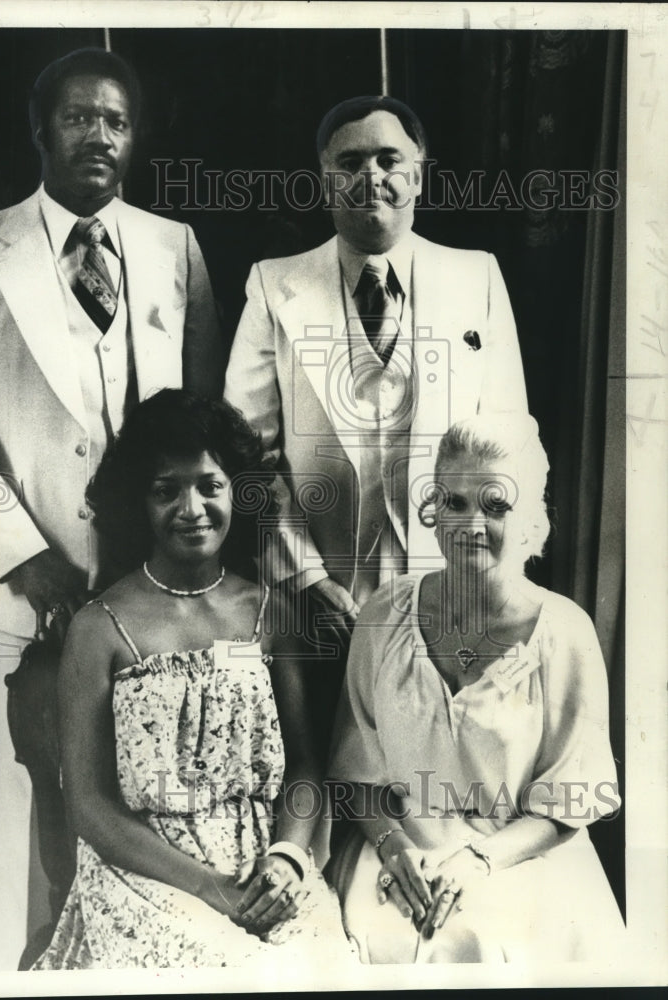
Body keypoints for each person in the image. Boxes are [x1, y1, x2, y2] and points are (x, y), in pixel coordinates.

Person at [0, 48, 222, 969]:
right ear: (41, 129)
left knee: (159, 775)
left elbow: (202, 414)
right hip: (37, 574)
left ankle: (145, 955)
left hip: (158, 577)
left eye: (117, 121)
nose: (100, 135)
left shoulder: (173, 247)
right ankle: (20, 966)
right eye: (81, 117)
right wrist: (19, 549)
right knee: (37, 776)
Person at [223, 95, 528, 756]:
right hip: (318, 599)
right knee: (327, 781)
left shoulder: (474, 276)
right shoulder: (273, 286)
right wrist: (304, 580)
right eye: (349, 161)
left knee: (437, 779)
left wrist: (489, 580)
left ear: (419, 173)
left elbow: (509, 446)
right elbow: (246, 456)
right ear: (324, 177)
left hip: (450, 592)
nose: (370, 176)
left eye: (389, 159)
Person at [32, 389, 354, 970]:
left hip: (263, 869)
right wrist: (210, 888)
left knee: (317, 969)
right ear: (138, 503)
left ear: (238, 493)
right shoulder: (99, 629)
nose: (192, 508)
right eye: (166, 490)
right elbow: (89, 806)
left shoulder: (269, 614)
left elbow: (307, 765)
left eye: (210, 485)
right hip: (146, 874)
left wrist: (287, 858)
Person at [327, 414, 625, 963]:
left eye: (496, 506)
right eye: (455, 502)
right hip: (398, 846)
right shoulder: (384, 615)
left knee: (481, 942)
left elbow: (566, 804)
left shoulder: (564, 633)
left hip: (519, 856)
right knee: (375, 936)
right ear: (433, 511)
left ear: (533, 521)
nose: (470, 525)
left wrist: (478, 862)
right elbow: (354, 776)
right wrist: (393, 848)